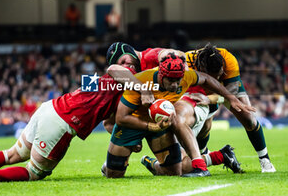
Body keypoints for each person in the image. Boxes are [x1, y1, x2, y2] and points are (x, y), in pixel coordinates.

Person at [0, 60, 151, 183]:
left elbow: (108, 123)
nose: (129, 66)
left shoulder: (110, 89)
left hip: (50, 107)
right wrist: (143, 89)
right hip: (62, 122)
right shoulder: (124, 76)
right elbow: (116, 68)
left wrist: (129, 140)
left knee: (12, 154)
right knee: (34, 172)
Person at [101, 53, 253, 178]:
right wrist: (150, 126)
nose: (175, 84)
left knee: (175, 172)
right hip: (132, 123)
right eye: (171, 80)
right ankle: (113, 164)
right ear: (161, 75)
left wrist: (231, 97)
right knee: (114, 175)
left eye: (178, 80)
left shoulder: (186, 77)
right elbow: (121, 118)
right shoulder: (141, 82)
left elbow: (207, 79)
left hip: (160, 123)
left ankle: (219, 156)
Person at [185, 44, 276, 173]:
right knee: (204, 126)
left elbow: (232, 90)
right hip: (200, 87)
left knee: (248, 118)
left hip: (227, 87)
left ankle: (265, 160)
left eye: (219, 74)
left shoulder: (228, 59)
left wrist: (211, 99)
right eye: (214, 76)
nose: (217, 78)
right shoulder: (186, 62)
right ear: (202, 68)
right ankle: (205, 154)